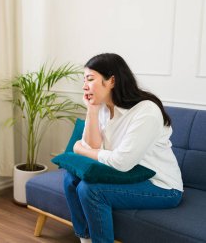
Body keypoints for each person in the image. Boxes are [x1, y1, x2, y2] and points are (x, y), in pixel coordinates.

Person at [64, 53, 183, 243]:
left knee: (91, 189)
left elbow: (121, 162)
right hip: (128, 175)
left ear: (111, 81)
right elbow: (94, 145)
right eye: (84, 80)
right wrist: (92, 109)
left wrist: (80, 150)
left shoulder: (146, 111)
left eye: (90, 79)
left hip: (161, 185)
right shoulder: (102, 107)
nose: (84, 86)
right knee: (71, 179)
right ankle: (85, 239)